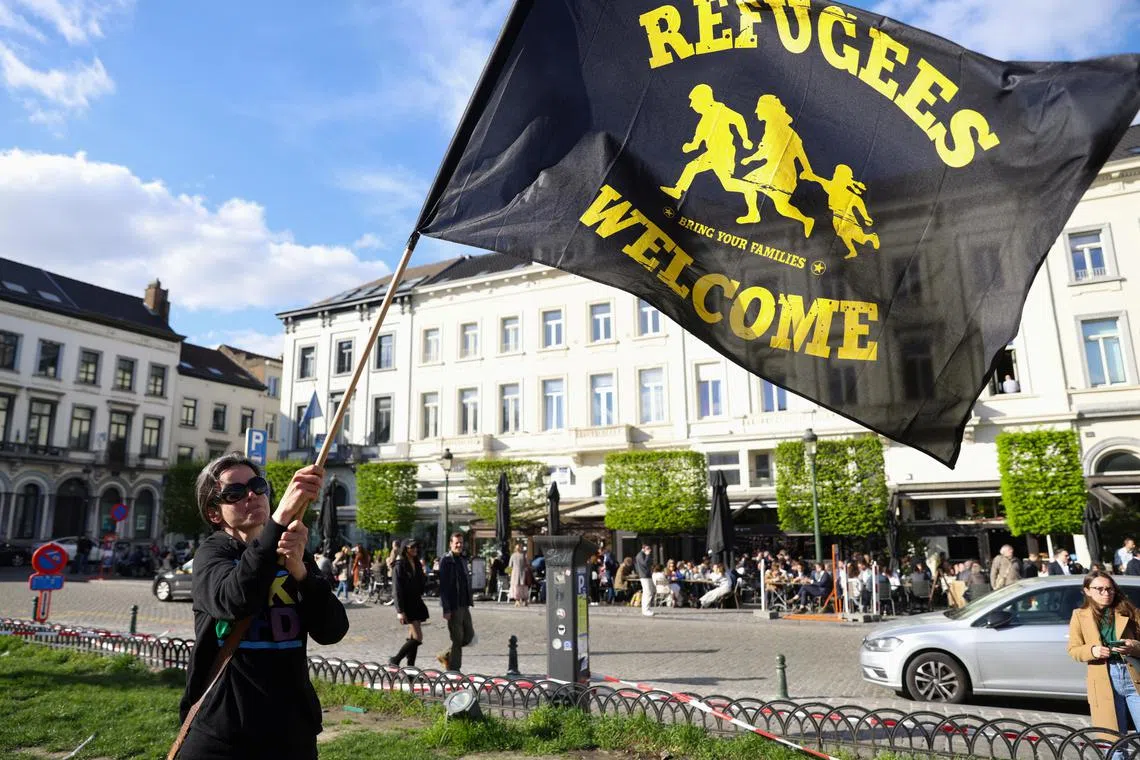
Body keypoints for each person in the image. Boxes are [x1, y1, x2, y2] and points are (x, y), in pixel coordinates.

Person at [177, 454, 347, 760]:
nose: (251, 496)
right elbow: (236, 598)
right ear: (215, 513)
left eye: (257, 486)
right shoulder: (212, 555)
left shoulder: (291, 549)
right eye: (235, 493)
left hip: (291, 732)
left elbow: (332, 630)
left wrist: (302, 574)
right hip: (225, 732)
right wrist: (279, 520)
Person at [1067, 571, 1140, 741]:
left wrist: (1133, 646)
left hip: (1133, 675)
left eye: (1109, 589)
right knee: (1113, 739)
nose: (1105, 593)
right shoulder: (1079, 616)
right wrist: (1093, 651)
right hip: (1103, 678)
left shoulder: (1129, 611)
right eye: (1099, 589)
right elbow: (1073, 650)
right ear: (1087, 590)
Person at [437, 532, 475, 671]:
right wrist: (446, 609)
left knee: (469, 636)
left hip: (464, 604)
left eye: (461, 542)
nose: (459, 545)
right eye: (456, 543)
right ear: (450, 544)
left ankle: (446, 654)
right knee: (457, 639)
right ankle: (454, 669)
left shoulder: (463, 559)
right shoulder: (446, 560)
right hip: (453, 605)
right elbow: (444, 587)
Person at [390, 539, 428, 668]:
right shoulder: (399, 565)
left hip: (416, 602)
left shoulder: (417, 563)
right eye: (411, 547)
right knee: (418, 637)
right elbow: (397, 589)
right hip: (407, 604)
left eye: (416, 547)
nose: (415, 549)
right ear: (405, 549)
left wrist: (424, 574)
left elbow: (421, 583)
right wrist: (400, 611)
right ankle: (395, 659)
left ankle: (410, 669)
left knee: (412, 637)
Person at [508, 541, 530, 607]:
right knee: (523, 587)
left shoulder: (513, 555)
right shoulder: (524, 555)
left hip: (515, 573)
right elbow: (527, 565)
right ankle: (525, 600)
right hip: (523, 573)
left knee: (516, 587)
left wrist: (509, 574)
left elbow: (510, 566)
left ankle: (517, 601)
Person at [635, 544, 655, 617]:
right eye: (647, 548)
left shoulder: (642, 555)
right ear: (643, 548)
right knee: (648, 592)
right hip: (644, 576)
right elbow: (645, 564)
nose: (649, 550)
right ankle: (646, 610)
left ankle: (646, 609)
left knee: (648, 592)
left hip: (647, 575)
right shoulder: (640, 555)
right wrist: (647, 555)